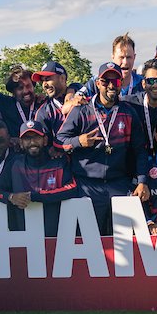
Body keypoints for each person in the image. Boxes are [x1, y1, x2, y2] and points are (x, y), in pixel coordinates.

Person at [57, 64, 147, 234]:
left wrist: (142, 180)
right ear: (98, 83)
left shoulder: (128, 112)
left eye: (116, 80)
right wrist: (78, 141)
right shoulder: (81, 111)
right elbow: (59, 141)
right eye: (106, 81)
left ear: (121, 83)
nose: (111, 85)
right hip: (87, 185)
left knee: (125, 240)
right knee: (88, 240)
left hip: (119, 183)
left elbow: (140, 150)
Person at [7, 120, 82, 235]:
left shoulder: (59, 162)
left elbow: (72, 189)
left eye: (37, 137)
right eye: (27, 139)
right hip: (23, 230)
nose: (32, 142)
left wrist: (35, 196)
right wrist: (11, 197)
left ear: (45, 140)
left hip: (56, 230)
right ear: (21, 143)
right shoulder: (14, 164)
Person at [0, 66, 40, 136]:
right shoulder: (6, 104)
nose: (26, 91)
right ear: (13, 92)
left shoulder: (42, 104)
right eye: (20, 88)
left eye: (28, 86)